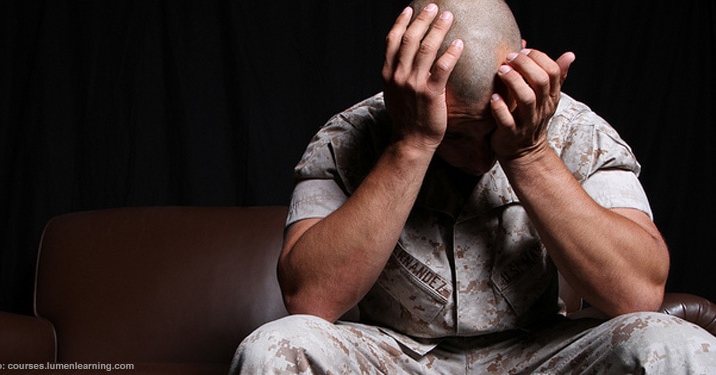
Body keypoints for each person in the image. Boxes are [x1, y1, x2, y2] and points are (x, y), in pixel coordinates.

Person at [230, 0, 716, 373]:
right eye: (458, 135)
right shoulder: (349, 136)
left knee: (681, 345)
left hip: (540, 353)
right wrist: (413, 143)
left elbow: (638, 294)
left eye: (492, 131)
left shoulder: (578, 130)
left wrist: (528, 152)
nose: (483, 156)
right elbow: (310, 300)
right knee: (272, 350)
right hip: (396, 357)